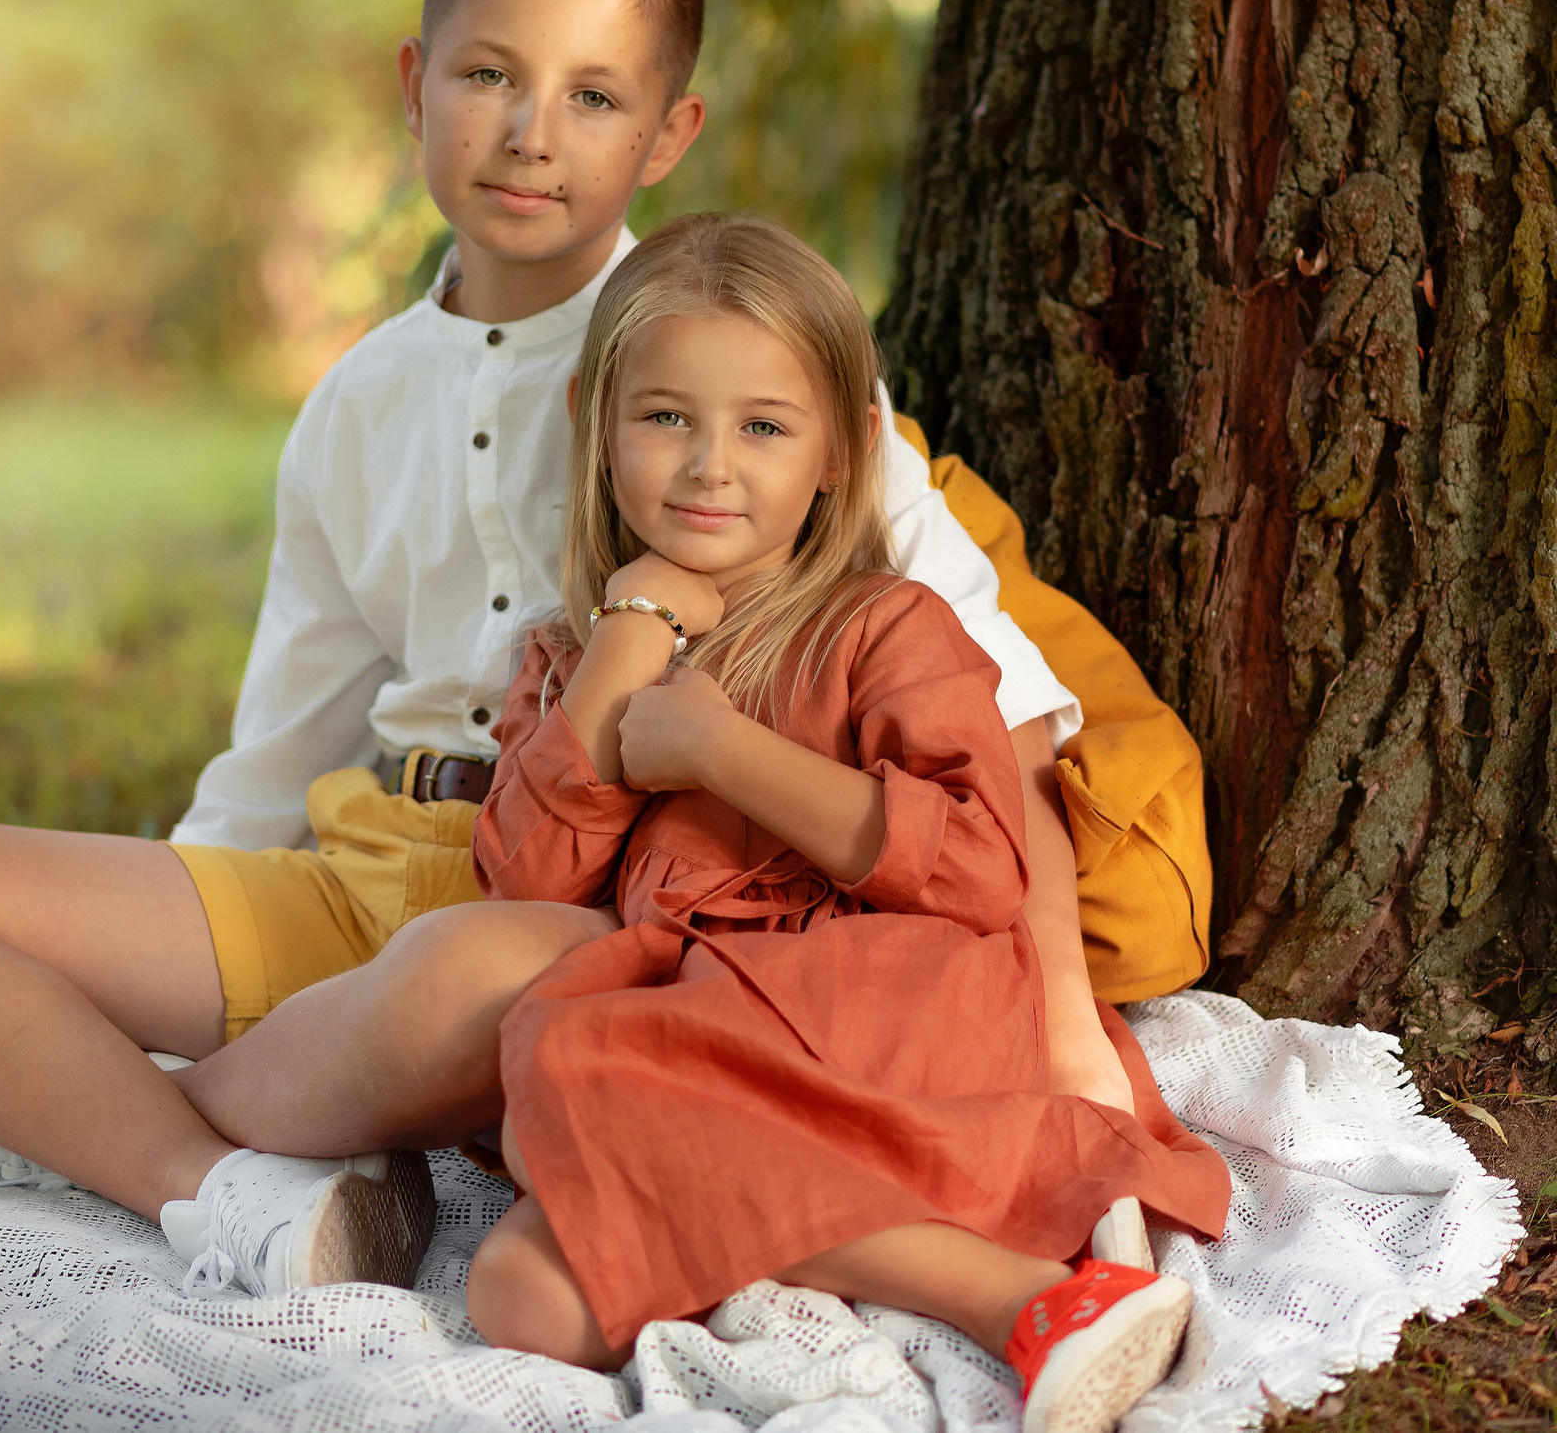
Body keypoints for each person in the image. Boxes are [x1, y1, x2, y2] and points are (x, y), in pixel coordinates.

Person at [0, 0, 1206, 1298]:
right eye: (490, 75)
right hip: (368, 862)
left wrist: (1067, 1042)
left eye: (595, 96)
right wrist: (138, 963)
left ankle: (61, 1136)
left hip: (579, 918)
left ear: (670, 130)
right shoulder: (355, 405)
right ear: (415, 83)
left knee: (458, 969)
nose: (531, 135)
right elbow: (279, 752)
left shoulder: (742, 373)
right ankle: (194, 1159)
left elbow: (1006, 715)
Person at [407, 212, 1229, 1424]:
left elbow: (975, 868)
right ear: (598, 426)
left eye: (763, 428)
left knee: (562, 1063)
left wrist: (723, 751)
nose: (708, 467)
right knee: (521, 1291)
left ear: (839, 454)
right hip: (724, 1035)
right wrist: (629, 639)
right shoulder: (574, 654)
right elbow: (526, 882)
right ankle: (820, 1219)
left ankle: (1006, 1298)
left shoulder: (885, 626)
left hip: (884, 999)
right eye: (666, 417)